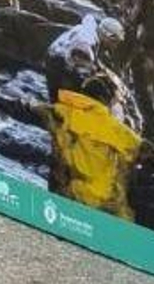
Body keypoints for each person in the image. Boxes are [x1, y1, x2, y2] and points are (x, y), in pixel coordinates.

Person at [34, 74, 143, 220]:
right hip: (100, 206)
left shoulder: (59, 112)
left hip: (63, 196)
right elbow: (148, 151)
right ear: (107, 100)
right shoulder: (112, 127)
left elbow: (22, 108)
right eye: (116, 101)